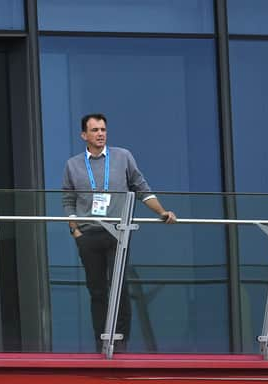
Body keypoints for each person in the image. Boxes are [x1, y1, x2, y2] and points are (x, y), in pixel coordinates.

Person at [62, 113, 177, 352]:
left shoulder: (122, 157)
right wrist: (75, 231)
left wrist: (162, 211)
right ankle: (101, 341)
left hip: (117, 233)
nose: (100, 134)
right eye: (94, 130)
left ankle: (120, 341)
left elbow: (142, 188)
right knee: (96, 290)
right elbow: (68, 200)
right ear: (84, 135)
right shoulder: (73, 164)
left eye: (103, 129)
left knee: (118, 287)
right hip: (88, 235)